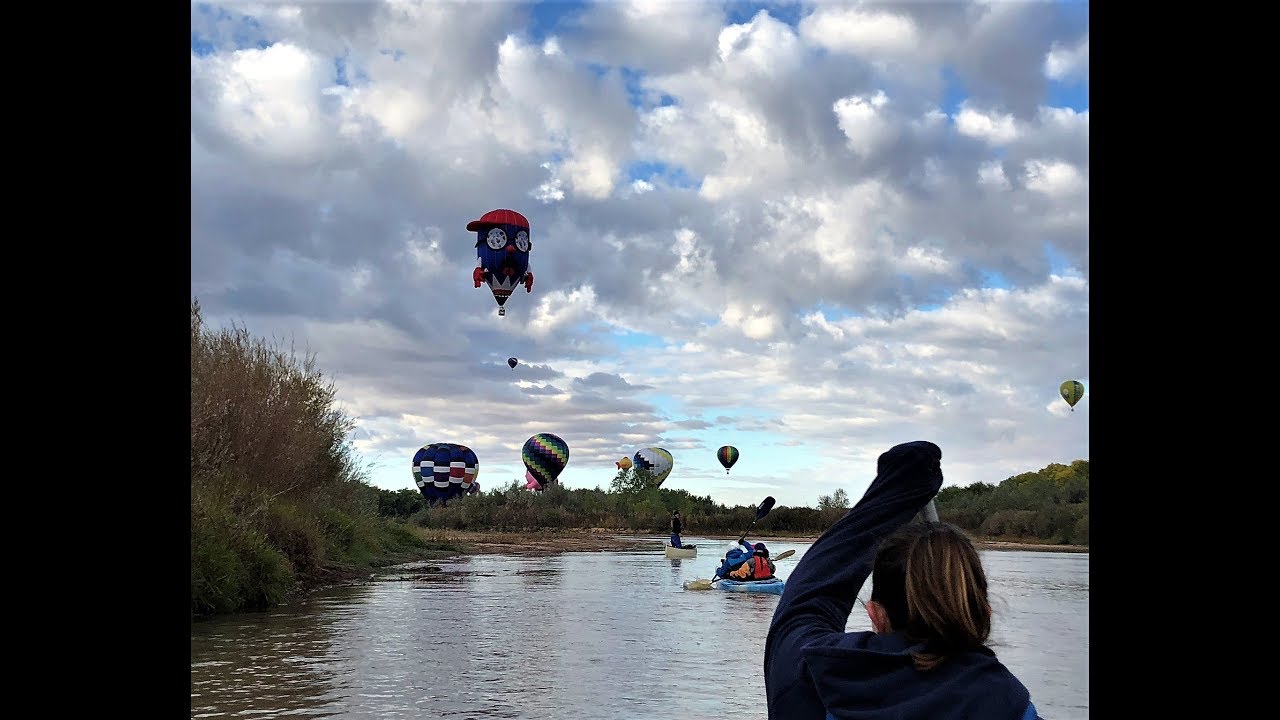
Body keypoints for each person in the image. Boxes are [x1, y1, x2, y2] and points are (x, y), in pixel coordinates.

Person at [763, 440, 1042, 720]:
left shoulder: (815, 672)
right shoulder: (1014, 706)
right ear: (986, 613)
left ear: (875, 614)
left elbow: (808, 598)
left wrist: (901, 486)